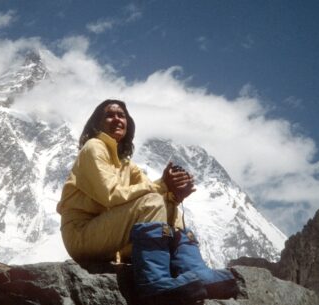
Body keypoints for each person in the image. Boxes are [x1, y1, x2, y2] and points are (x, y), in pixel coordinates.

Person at [57, 99, 238, 301]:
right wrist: (162, 185)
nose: (117, 119)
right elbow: (110, 194)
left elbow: (157, 197)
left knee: (165, 203)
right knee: (152, 201)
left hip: (107, 233)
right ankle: (154, 282)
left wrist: (174, 196)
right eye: (109, 115)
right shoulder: (93, 147)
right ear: (97, 124)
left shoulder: (127, 165)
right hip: (82, 233)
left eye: (122, 115)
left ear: (128, 124)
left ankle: (196, 273)